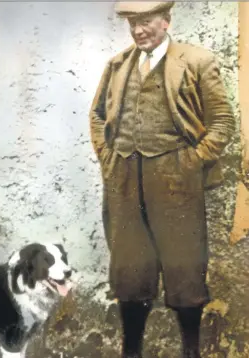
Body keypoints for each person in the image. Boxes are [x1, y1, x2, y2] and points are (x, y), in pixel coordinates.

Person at [89, 2, 235, 357]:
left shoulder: (196, 61)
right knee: (129, 270)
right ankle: (132, 351)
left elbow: (222, 123)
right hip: (124, 180)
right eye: (133, 24)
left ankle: (190, 351)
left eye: (146, 23)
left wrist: (191, 162)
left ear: (165, 22)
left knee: (184, 268)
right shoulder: (118, 65)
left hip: (176, 182)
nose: (139, 31)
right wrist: (109, 159)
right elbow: (97, 116)